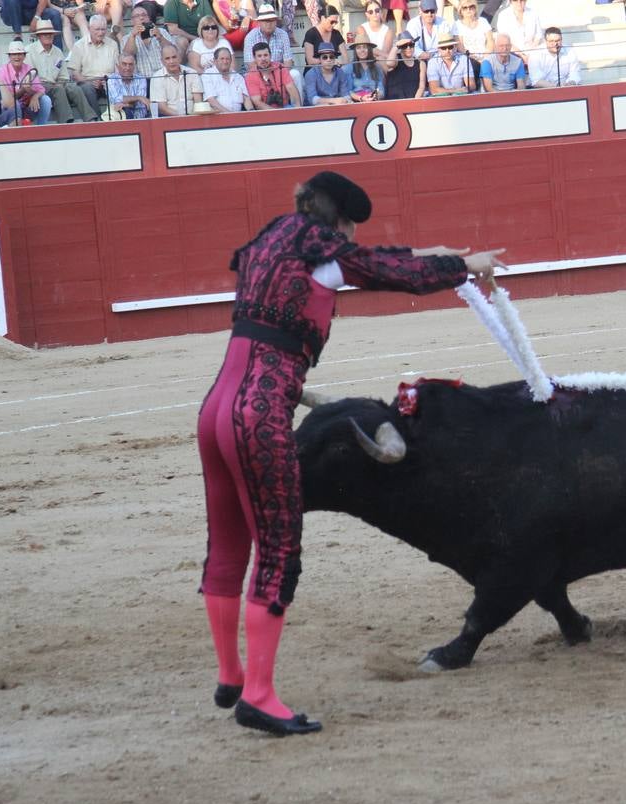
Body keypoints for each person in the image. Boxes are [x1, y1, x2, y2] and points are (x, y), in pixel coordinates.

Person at [197, 170, 504, 736]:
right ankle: (260, 696)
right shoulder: (325, 250)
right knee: (278, 551)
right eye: (348, 229)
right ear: (338, 221)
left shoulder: (272, 240)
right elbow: (391, 272)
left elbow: (366, 259)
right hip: (259, 415)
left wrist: (432, 251)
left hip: (216, 409)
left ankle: (231, 675)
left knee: (229, 543)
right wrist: (464, 265)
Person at [68, 14, 120, 110]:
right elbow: (75, 73)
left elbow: (117, 70)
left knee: (117, 86)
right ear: (89, 28)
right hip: (87, 82)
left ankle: (117, 118)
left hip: (108, 81)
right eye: (97, 29)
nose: (100, 33)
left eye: (103, 29)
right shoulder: (79, 45)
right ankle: (97, 120)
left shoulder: (113, 44)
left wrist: (108, 81)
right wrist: (89, 82)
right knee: (87, 89)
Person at [0, 40, 51, 124]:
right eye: (14, 54)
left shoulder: (29, 68)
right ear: (9, 57)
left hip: (28, 105)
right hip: (10, 108)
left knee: (46, 100)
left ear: (24, 56)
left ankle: (41, 127)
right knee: (15, 104)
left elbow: (41, 90)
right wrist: (23, 90)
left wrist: (35, 96)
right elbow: (7, 99)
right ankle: (15, 130)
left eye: (20, 54)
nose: (17, 57)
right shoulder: (2, 71)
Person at [122, 1, 174, 76]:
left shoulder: (162, 32)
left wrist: (160, 37)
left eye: (144, 15)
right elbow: (127, 55)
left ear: (149, 18)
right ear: (132, 21)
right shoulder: (127, 38)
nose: (141, 18)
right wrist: (133, 36)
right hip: (141, 80)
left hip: (163, 76)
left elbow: (172, 51)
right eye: (137, 16)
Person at [150, 42, 200, 113]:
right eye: (167, 58)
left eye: (174, 57)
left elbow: (198, 101)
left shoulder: (192, 73)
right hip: (169, 119)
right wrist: (181, 118)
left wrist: (193, 117)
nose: (171, 61)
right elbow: (162, 107)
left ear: (179, 58)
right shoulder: (157, 77)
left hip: (193, 116)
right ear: (162, 61)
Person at [244, 40, 298, 106]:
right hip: (264, 113)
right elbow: (258, 103)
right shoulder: (250, 76)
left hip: (285, 107)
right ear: (254, 58)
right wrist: (275, 114)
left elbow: (291, 89)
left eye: (266, 55)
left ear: (270, 56)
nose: (263, 59)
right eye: (259, 56)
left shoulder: (281, 68)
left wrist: (298, 109)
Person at [201, 43, 249, 108]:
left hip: (238, 115)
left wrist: (250, 111)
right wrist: (229, 115)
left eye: (227, 59)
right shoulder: (208, 75)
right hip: (218, 116)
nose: (225, 61)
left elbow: (246, 99)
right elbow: (212, 101)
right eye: (222, 59)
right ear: (215, 61)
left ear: (231, 61)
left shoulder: (238, 77)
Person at [381, 28, 423, 98]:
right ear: (400, 47)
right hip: (394, 102)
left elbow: (421, 87)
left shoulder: (420, 63)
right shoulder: (396, 59)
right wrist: (396, 45)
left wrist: (415, 101)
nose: (408, 48)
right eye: (404, 46)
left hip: (413, 102)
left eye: (411, 45)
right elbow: (389, 63)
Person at [106, 51, 148, 116]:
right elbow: (117, 100)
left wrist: (126, 103)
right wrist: (139, 97)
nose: (127, 68)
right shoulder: (112, 79)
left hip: (141, 117)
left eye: (130, 64)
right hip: (121, 118)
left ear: (134, 66)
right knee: (126, 110)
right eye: (124, 64)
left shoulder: (141, 79)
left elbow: (140, 104)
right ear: (117, 66)